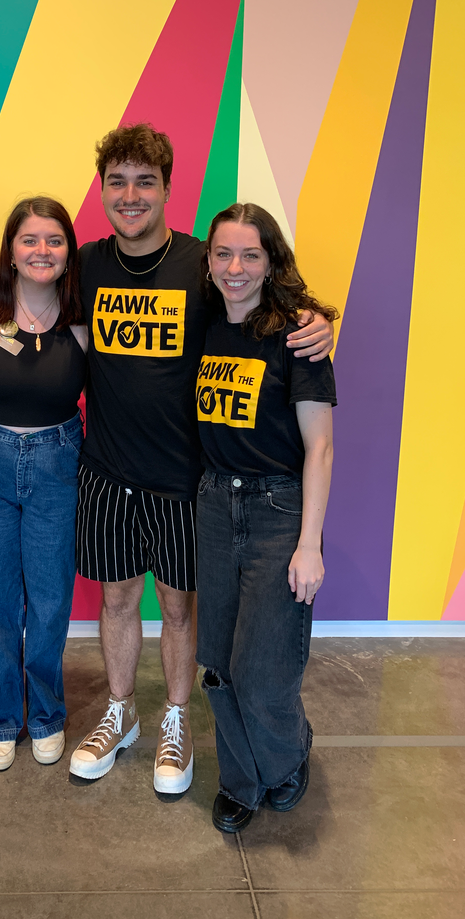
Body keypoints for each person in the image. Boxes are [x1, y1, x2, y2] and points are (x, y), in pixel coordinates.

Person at [0, 124, 333, 794]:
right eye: (117, 182)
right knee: (118, 602)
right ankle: (122, 713)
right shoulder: (86, 266)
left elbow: (256, 300)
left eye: (144, 182)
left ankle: (176, 723)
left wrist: (313, 319)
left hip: (187, 478)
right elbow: (25, 293)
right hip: (105, 472)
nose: (129, 196)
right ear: (102, 191)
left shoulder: (200, 266)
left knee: (180, 611)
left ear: (166, 190)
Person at [195, 203, 336, 833]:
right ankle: (242, 780)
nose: (235, 267)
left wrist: (310, 544)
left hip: (278, 509)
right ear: (209, 261)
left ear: (271, 261)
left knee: (264, 666)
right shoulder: (203, 324)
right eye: (223, 253)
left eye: (251, 254)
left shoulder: (298, 337)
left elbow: (321, 447)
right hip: (212, 505)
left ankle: (288, 752)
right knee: (220, 658)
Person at [0, 197, 87, 771]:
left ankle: (48, 715)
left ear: (68, 251)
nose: (41, 251)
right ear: (10, 249)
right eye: (29, 239)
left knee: (51, 601)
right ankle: (1, 719)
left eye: (54, 240)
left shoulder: (84, 315)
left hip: (58, 460)